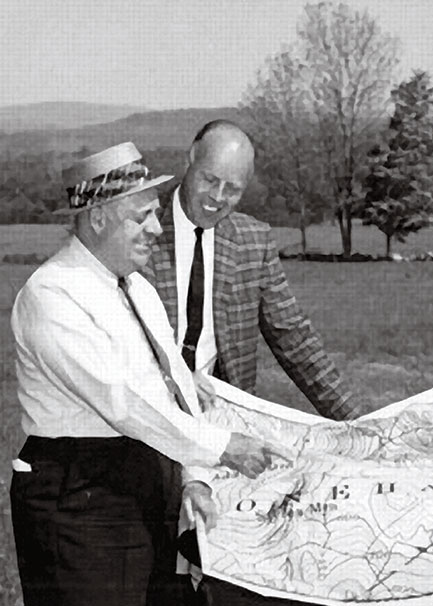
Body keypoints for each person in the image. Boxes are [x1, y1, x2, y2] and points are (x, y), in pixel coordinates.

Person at [9, 142, 276, 606]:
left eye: (155, 214)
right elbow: (122, 402)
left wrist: (192, 476)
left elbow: (171, 386)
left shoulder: (140, 289)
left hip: (145, 481)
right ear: (97, 218)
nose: (156, 229)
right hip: (78, 495)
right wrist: (221, 448)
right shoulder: (51, 294)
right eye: (142, 217)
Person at [140, 120, 368, 604]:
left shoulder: (253, 242)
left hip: (222, 431)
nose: (218, 198)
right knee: (152, 569)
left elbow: (294, 338)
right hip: (145, 425)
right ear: (189, 161)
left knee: (218, 573)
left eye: (233, 189)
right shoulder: (140, 228)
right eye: (209, 181)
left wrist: (358, 423)